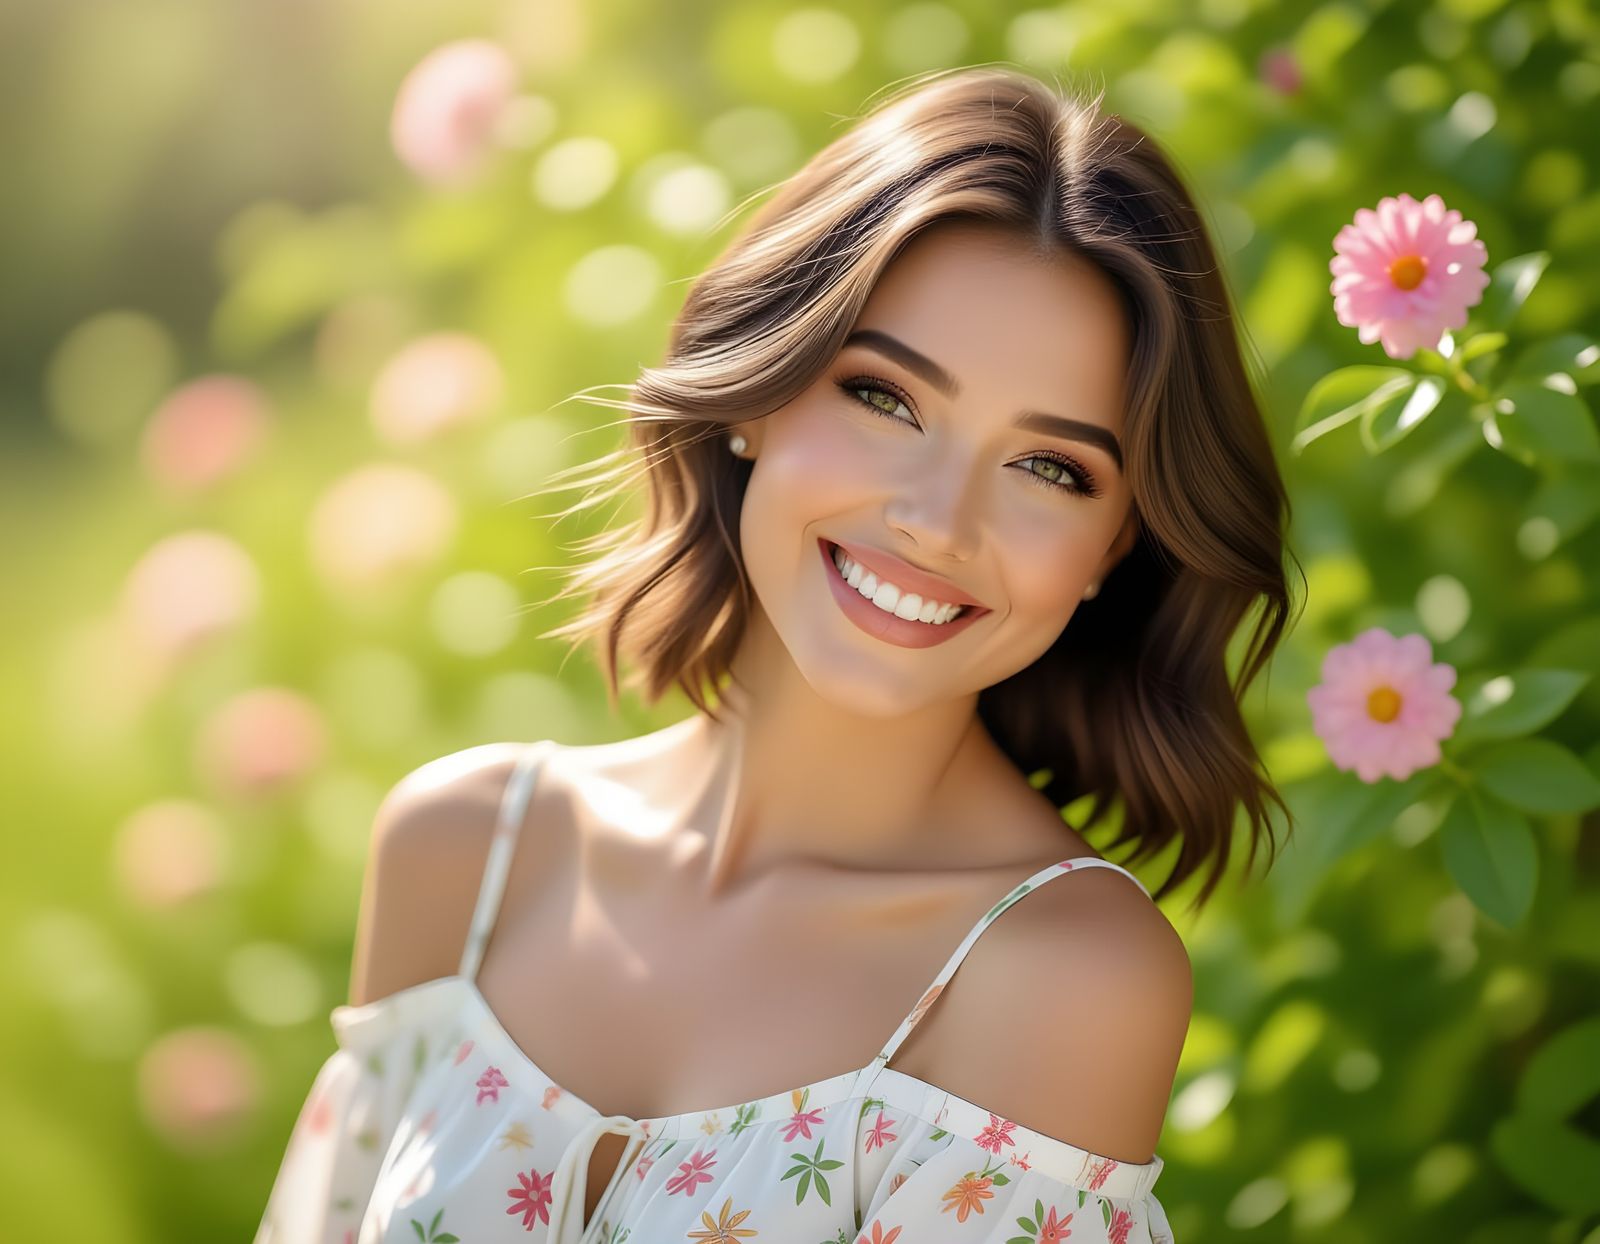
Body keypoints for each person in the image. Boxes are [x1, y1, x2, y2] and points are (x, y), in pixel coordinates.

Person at [255, 63, 1297, 1244]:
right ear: (757, 388)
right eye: (886, 397)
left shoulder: (1062, 976)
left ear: (1115, 542)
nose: (938, 521)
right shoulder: (467, 848)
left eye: (1048, 467)